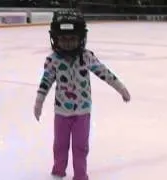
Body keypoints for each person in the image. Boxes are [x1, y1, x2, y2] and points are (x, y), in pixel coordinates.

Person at [33, 10, 131, 180]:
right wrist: (39, 103)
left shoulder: (87, 57)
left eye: (73, 38)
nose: (68, 43)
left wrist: (121, 88)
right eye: (63, 39)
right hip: (61, 113)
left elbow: (104, 73)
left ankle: (80, 175)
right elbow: (45, 82)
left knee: (80, 146)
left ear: (81, 38)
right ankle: (58, 171)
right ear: (55, 38)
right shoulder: (53, 60)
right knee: (60, 145)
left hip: (82, 112)